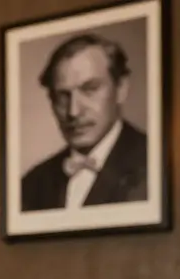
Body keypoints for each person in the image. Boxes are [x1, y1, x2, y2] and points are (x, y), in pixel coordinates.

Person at [20, 33, 148, 211]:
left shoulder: (153, 162)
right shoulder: (32, 183)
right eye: (62, 96)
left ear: (121, 88)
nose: (73, 111)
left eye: (90, 89)